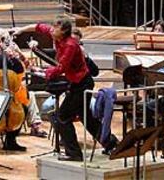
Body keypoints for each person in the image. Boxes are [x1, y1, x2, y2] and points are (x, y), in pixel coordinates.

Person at [13, 16, 118, 161]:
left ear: (63, 31)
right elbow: (38, 26)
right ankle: (112, 144)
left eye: (55, 27)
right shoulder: (57, 36)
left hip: (82, 84)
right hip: (78, 83)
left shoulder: (70, 45)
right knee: (86, 117)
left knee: (61, 117)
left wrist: (42, 72)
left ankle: (74, 153)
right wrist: (20, 30)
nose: (52, 29)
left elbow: (62, 67)